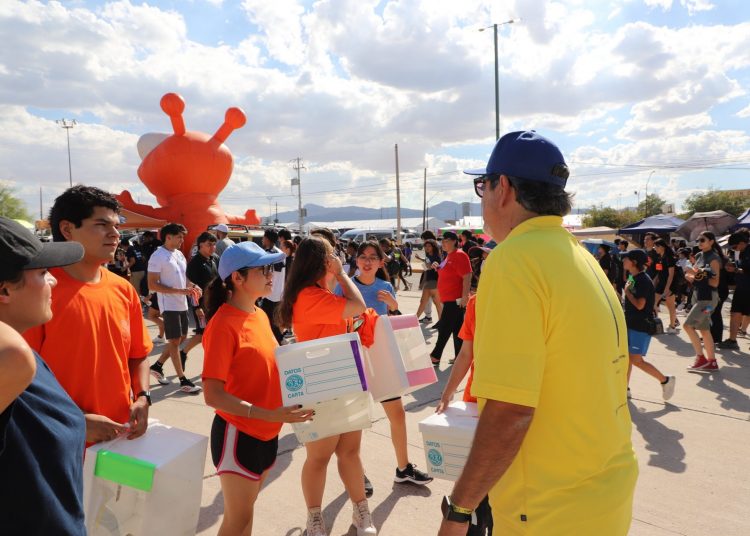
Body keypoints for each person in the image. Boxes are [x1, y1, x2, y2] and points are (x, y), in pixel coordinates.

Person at [439, 131, 637, 536]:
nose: (482, 198)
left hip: (548, 506)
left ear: (503, 188)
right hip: (605, 489)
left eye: (482, 186)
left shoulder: (514, 261)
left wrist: (458, 511)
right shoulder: (580, 257)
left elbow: (509, 410)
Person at [24, 185, 153, 445]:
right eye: (102, 225)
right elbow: (20, 380)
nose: (115, 234)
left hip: (120, 437)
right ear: (67, 229)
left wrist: (143, 396)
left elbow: (137, 354)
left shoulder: (123, 289)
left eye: (116, 226)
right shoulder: (38, 291)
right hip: (56, 442)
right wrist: (76, 421)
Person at [202, 241, 314, 535]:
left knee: (246, 517)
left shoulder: (259, 314)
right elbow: (212, 394)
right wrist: (268, 414)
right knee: (236, 521)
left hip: (268, 432)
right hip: (239, 434)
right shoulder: (222, 325)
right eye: (262, 270)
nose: (271, 275)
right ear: (237, 278)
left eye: (271, 268)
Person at [276, 237, 376, 536]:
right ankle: (315, 518)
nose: (338, 259)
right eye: (332, 255)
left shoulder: (321, 294)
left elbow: (354, 316)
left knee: (350, 453)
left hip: (342, 379)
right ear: (322, 262)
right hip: (320, 385)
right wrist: (343, 274)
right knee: (319, 457)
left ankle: (361, 511)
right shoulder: (309, 296)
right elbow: (358, 305)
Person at [0, 217, 87, 534]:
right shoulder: (12, 357)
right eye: (42, 272)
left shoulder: (23, 351)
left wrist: (70, 422)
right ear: (4, 289)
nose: (53, 281)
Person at [335, 241, 433, 488]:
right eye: (363, 256)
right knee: (356, 421)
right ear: (356, 260)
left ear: (381, 262)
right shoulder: (344, 286)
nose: (367, 261)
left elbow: (392, 324)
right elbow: (337, 324)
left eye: (373, 257)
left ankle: (403, 468)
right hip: (353, 359)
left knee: (397, 415)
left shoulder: (386, 287)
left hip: (381, 358)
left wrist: (394, 306)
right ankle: (357, 472)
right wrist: (359, 321)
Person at [147, 223, 202, 393]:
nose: (182, 240)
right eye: (179, 237)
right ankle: (183, 380)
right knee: (174, 341)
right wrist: (179, 291)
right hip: (169, 305)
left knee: (180, 338)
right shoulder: (157, 256)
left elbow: (184, 278)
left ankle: (157, 366)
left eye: (182, 237)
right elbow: (152, 284)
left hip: (182, 303)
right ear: (168, 237)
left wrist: (193, 286)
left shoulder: (179, 254)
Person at [621, 249, 676, 400]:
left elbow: (640, 305)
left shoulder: (643, 281)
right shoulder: (633, 277)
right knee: (627, 358)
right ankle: (624, 388)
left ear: (634, 262)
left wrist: (627, 292)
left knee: (636, 360)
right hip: (630, 323)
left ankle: (665, 380)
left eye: (626, 258)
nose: (623, 261)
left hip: (640, 326)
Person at [429, 231, 472, 367]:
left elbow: (467, 276)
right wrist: (437, 267)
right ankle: (460, 357)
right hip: (448, 299)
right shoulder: (448, 256)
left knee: (444, 327)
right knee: (457, 329)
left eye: (446, 240)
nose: (443, 243)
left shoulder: (460, 255)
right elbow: (448, 272)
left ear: (454, 241)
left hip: (455, 300)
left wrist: (465, 296)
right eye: (442, 241)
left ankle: (435, 355)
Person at [684, 231, 723, 373]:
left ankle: (701, 358)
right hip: (699, 296)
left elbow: (715, 282)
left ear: (711, 241)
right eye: (698, 240)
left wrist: (695, 274)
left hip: (708, 300)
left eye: (702, 240)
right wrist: (691, 275)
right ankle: (712, 362)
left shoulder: (714, 258)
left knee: (687, 326)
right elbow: (692, 275)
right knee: (704, 330)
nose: (699, 242)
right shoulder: (699, 255)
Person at [182, 232, 219, 360]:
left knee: (213, 333)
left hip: (214, 303)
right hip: (201, 305)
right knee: (202, 333)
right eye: (209, 245)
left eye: (214, 244)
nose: (212, 247)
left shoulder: (215, 259)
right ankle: (184, 353)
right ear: (200, 245)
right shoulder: (194, 264)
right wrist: (197, 307)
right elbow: (191, 288)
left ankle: (212, 357)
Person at [719, 231, 750, 350]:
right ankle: (732, 340)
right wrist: (733, 266)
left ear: (742, 243)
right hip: (741, 288)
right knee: (735, 313)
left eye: (734, 246)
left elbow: (746, 269)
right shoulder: (740, 253)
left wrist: (736, 270)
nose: (733, 249)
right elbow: (740, 267)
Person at [259, 229, 286, 343]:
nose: (262, 240)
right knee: (274, 322)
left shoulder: (269, 254)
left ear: (267, 239)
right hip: (278, 294)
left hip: (270, 294)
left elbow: (266, 273)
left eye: (264, 237)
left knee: (268, 323)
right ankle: (279, 341)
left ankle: (277, 342)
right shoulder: (280, 253)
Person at [653, 238, 680, 333]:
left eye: (656, 246)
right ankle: (656, 325)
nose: (655, 248)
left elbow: (671, 274)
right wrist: (654, 282)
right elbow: (659, 272)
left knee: (670, 306)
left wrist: (667, 288)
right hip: (661, 284)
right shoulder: (659, 258)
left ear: (662, 247)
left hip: (670, 284)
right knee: (654, 303)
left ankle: (672, 327)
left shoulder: (669, 258)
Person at [415, 239, 443, 323]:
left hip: (434, 281)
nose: (427, 247)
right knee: (424, 302)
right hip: (429, 281)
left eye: (429, 246)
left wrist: (429, 265)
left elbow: (434, 266)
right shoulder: (428, 255)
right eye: (425, 246)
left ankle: (441, 323)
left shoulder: (436, 256)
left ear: (433, 247)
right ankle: (414, 320)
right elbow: (427, 267)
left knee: (436, 303)